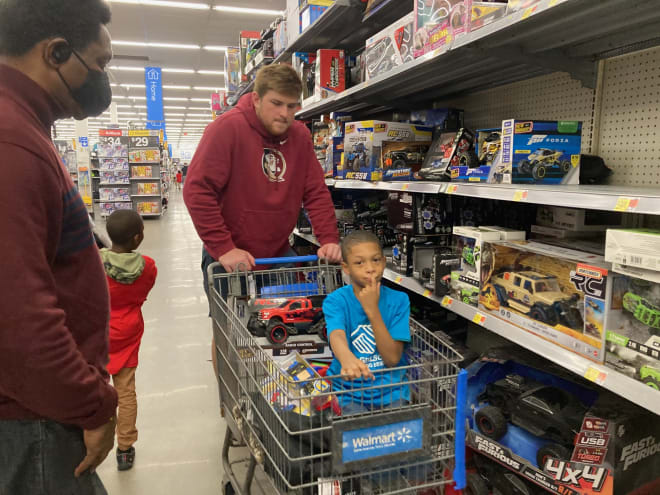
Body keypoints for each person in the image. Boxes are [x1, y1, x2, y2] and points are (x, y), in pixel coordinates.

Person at [0, 1, 117, 493]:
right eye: (101, 63)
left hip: (38, 409)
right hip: (35, 419)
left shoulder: (25, 125)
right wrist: (91, 402)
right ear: (57, 53)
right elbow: (18, 318)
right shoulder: (12, 145)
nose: (103, 79)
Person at [184, 63, 341, 391]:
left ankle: (276, 398)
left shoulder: (300, 136)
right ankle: (234, 402)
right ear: (255, 99)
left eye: (292, 106)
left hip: (277, 256)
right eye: (277, 103)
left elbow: (315, 190)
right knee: (230, 335)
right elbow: (197, 190)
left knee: (289, 330)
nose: (285, 113)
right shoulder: (227, 129)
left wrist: (327, 239)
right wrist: (224, 248)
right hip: (229, 258)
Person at [323, 231, 411, 414]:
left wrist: (372, 310)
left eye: (376, 260)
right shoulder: (336, 301)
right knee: (356, 431)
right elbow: (336, 334)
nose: (370, 268)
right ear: (346, 268)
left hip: (392, 391)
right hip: (348, 391)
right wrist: (346, 357)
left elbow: (392, 359)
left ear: (384, 262)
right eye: (359, 262)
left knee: (399, 432)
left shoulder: (399, 300)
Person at [100, 210, 157, 471]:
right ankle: (124, 448)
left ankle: (94, 439)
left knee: (97, 390)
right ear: (137, 238)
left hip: (98, 333)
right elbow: (143, 292)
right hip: (129, 331)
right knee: (126, 391)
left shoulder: (95, 263)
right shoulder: (148, 267)